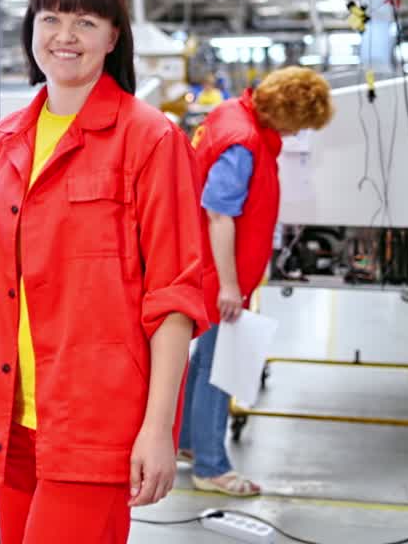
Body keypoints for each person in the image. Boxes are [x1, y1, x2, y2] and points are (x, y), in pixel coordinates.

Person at [0, 0, 209, 544]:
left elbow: (175, 296)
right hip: (11, 420)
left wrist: (158, 428)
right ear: (31, 30)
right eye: (51, 18)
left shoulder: (149, 139)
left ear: (113, 38)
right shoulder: (4, 141)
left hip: (96, 425)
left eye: (86, 21)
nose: (65, 36)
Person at [178, 66, 333, 496]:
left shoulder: (231, 113)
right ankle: (211, 466)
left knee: (202, 360)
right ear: (285, 111)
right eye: (299, 123)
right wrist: (229, 285)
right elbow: (219, 213)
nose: (298, 132)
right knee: (217, 366)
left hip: (203, 261)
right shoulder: (244, 144)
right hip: (216, 269)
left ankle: (189, 442)